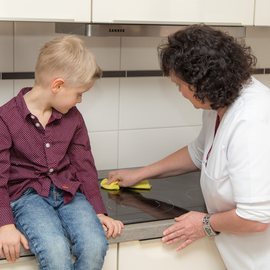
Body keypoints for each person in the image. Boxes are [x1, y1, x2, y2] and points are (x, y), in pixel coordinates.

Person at [106, 24, 270, 270]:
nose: (180, 92)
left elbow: (256, 218)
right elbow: (200, 152)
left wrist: (205, 223)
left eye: (179, 84)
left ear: (202, 82)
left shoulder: (251, 121)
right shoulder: (220, 101)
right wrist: (139, 174)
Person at [0, 35, 124, 270]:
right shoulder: (5, 120)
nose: (79, 100)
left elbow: (84, 166)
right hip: (27, 198)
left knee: (95, 245)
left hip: (69, 194)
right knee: (55, 250)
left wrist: (98, 211)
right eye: (79, 94)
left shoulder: (74, 118)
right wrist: (5, 225)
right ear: (57, 85)